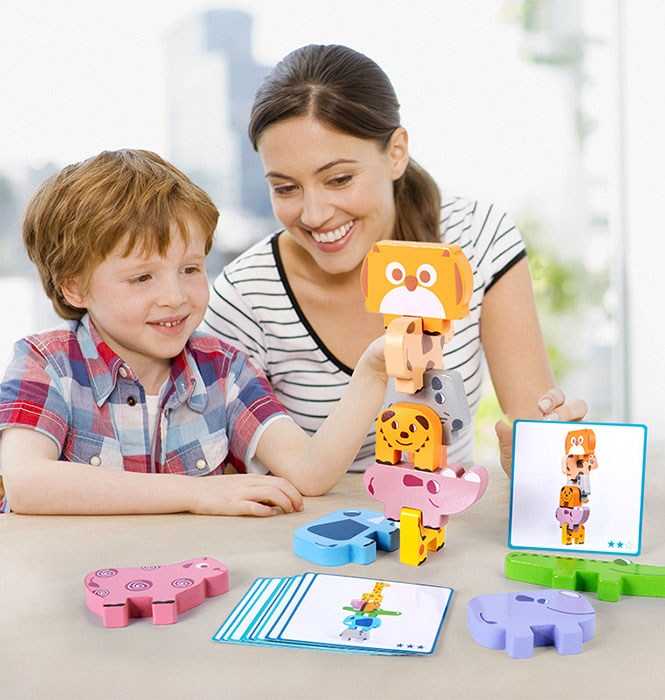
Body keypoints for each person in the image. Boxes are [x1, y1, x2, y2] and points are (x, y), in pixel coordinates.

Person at [203, 44, 587, 475]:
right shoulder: (245, 296)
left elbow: (532, 436)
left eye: (339, 179)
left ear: (396, 152)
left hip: (441, 512)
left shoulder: (475, 237)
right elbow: (230, 477)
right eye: (285, 188)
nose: (313, 214)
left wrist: (536, 451)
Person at [0, 149, 387, 516]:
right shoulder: (46, 363)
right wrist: (198, 493)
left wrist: (373, 371)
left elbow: (309, 471)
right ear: (75, 288)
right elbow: (27, 483)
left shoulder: (224, 369)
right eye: (142, 277)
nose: (175, 297)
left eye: (189, 269)